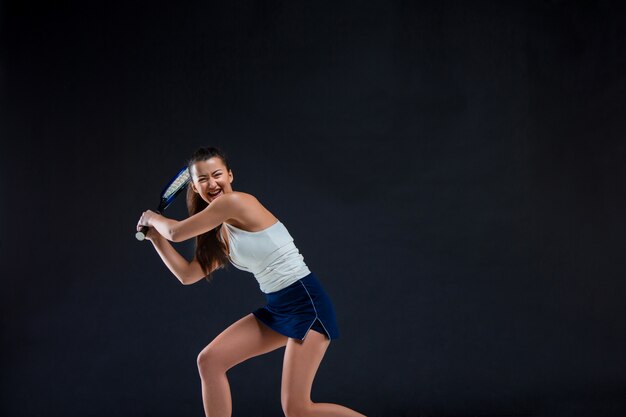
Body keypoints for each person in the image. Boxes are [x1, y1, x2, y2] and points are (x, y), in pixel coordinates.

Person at [136, 146, 366, 417]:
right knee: (210, 361)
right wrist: (155, 239)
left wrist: (152, 217)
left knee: (297, 409)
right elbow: (188, 275)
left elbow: (175, 231)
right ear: (195, 188)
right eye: (203, 179)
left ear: (230, 175)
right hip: (279, 307)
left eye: (217, 174)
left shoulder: (236, 203)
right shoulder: (222, 233)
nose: (212, 183)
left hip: (306, 303)